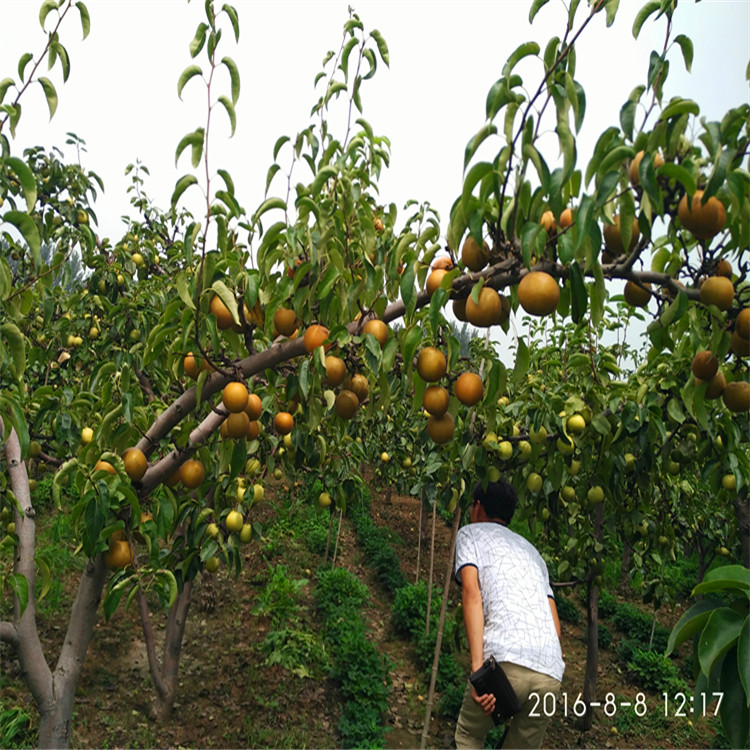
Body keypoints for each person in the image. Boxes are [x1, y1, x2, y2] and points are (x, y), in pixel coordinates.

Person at [454, 477, 565, 749]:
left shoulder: (470, 534)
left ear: (477, 507)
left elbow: (471, 593)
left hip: (504, 664)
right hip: (549, 674)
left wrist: (479, 671)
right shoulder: (533, 553)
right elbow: (555, 627)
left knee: (469, 736)